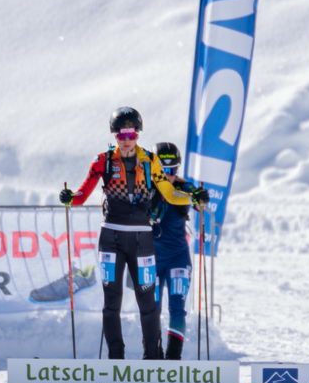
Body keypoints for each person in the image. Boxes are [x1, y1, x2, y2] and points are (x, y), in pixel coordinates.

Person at [61, 108, 200, 360]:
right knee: (111, 301)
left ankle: (152, 358)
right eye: (121, 134)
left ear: (138, 134)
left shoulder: (150, 159)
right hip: (111, 238)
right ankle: (116, 357)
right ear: (115, 135)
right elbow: (82, 194)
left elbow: (169, 193)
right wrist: (70, 198)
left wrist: (192, 195)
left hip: (142, 240)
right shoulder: (102, 161)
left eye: (131, 133)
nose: (127, 139)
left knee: (148, 303)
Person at [152, 141, 209, 359]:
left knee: (177, 307)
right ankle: (154, 355)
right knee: (152, 309)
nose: (168, 176)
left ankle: (173, 359)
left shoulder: (184, 187)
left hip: (178, 257)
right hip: (152, 259)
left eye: (172, 170)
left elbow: (198, 199)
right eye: (163, 170)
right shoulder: (147, 187)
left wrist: (201, 198)